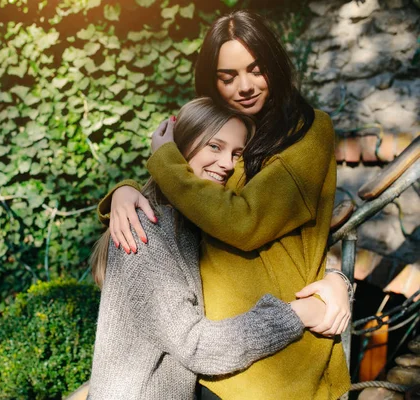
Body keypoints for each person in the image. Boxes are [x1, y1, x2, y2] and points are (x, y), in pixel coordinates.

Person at [97, 10, 351, 400]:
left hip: (282, 361)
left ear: (275, 66)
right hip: (215, 358)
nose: (245, 86)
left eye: (256, 69)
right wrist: (126, 190)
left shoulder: (307, 131)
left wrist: (338, 278)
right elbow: (186, 191)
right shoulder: (230, 127)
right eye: (227, 76)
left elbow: (244, 221)